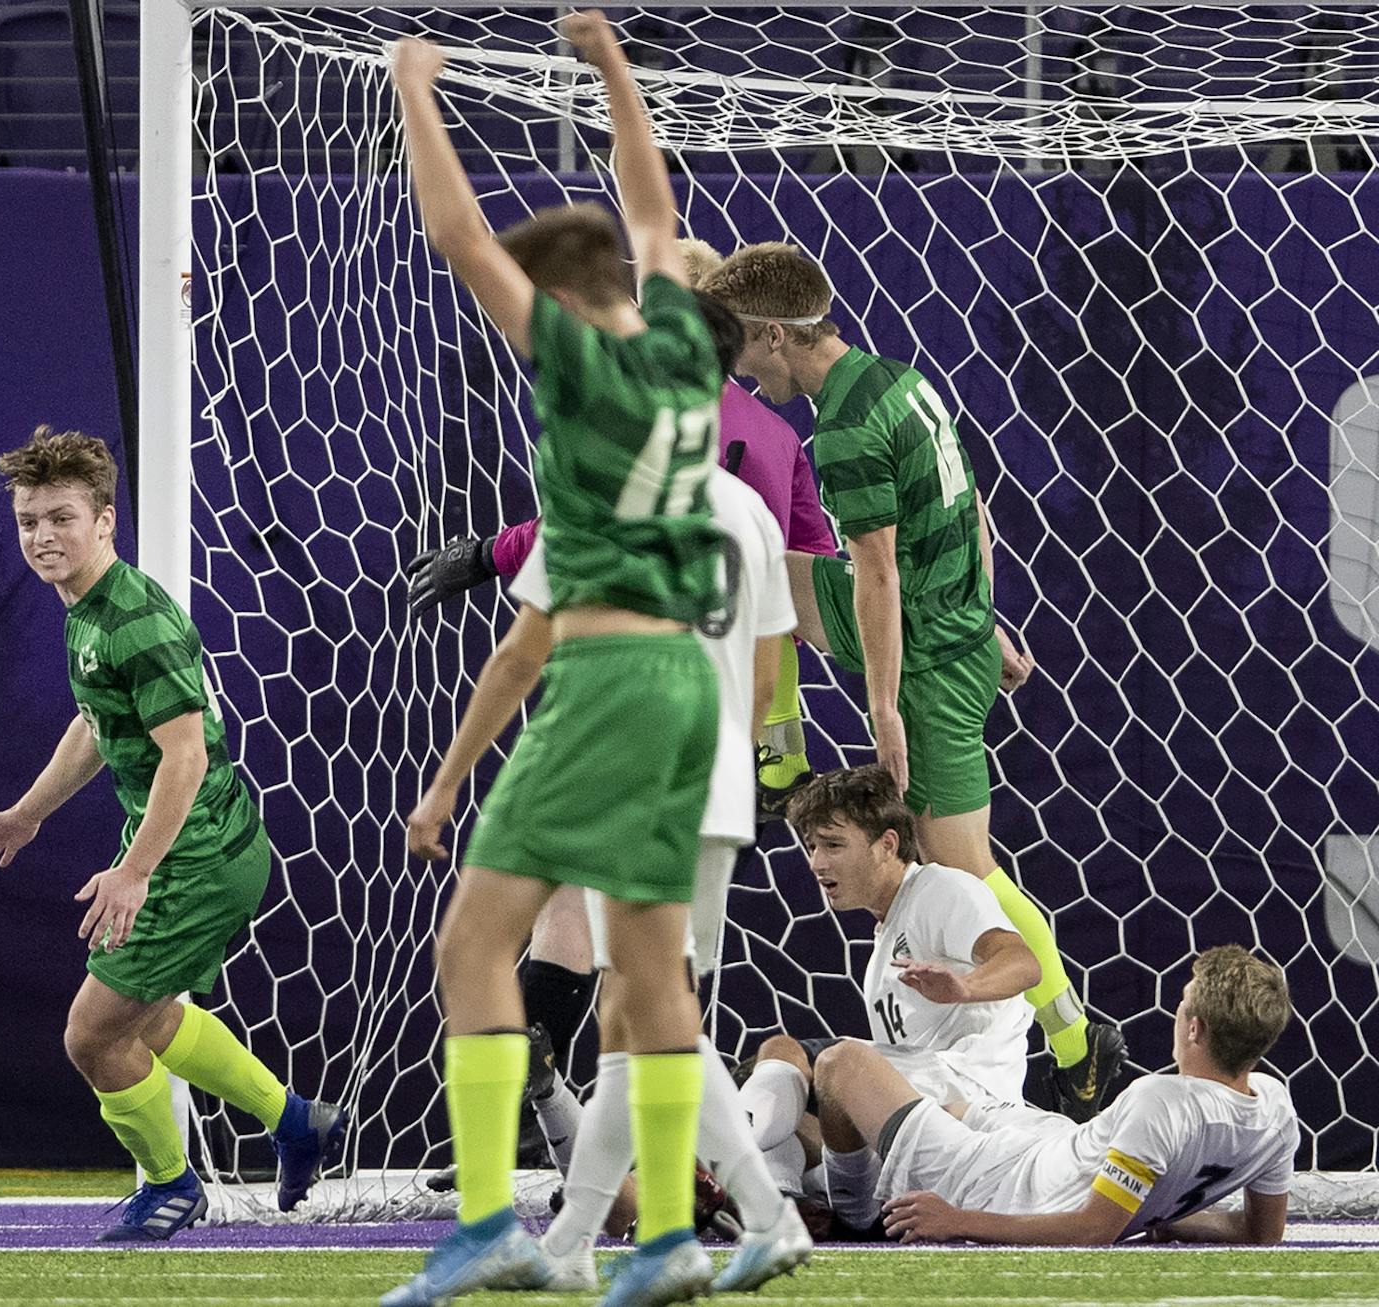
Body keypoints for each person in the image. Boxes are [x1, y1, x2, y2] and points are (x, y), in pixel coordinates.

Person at [384, 13, 733, 1304]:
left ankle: (485, 1221)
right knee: (649, 970)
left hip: (604, 679)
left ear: (568, 299)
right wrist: (611, 66)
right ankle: (668, 1241)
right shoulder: (690, 345)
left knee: (474, 942)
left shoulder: (585, 362)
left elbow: (460, 237)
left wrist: (418, 90)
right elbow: (654, 208)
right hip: (687, 686)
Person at [701, 242, 1124, 1120]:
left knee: (965, 876)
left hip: (928, 659)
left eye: (740, 349)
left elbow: (879, 576)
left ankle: (1079, 1045)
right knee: (753, 564)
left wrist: (884, 705)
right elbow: (972, 508)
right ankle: (780, 760)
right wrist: (989, 613)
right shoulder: (898, 377)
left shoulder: (846, 427)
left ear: (775, 335)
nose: (738, 372)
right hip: (953, 628)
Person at [0, 426, 345, 1241]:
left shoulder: (133, 618)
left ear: (106, 520)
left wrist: (133, 870)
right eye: (29, 520)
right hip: (195, 848)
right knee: (149, 1017)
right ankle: (298, 1120)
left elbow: (186, 754)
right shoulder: (88, 612)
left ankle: (173, 1187)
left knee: (93, 1035)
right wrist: (31, 811)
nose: (42, 536)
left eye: (61, 518)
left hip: (196, 855)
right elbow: (97, 724)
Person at [408, 238, 838, 824]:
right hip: (748, 711)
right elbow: (807, 561)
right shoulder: (779, 435)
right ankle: (783, 763)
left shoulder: (648, 426)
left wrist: (486, 555)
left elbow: (582, 528)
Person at [817, 945, 1295, 1245]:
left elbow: (1091, 1230)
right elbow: (1261, 1232)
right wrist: (1170, 1220)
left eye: (1182, 1002)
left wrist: (958, 1220)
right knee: (953, 1106)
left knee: (840, 1064)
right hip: (1056, 1143)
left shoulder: (1161, 1101)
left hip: (1004, 1188)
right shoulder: (1276, 1110)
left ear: (1195, 1028)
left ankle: (853, 1217)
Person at [735, 766, 1040, 1212]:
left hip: (968, 1098)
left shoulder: (940, 887)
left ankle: (777, 1185)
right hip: (917, 1111)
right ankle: (794, 1196)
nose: (818, 862)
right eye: (812, 846)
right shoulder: (883, 945)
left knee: (803, 1059)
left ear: (888, 844)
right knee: (781, 1092)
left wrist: (965, 986)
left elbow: (1023, 962)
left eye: (833, 845)